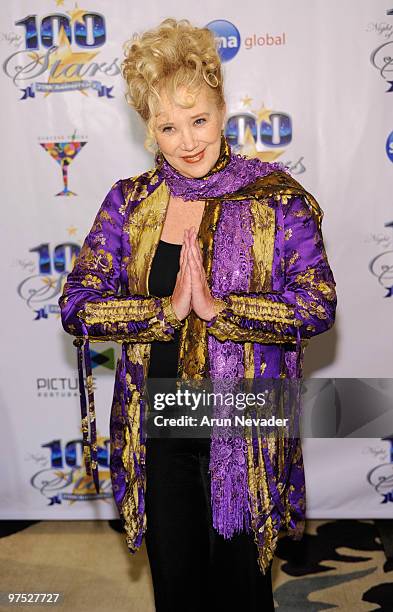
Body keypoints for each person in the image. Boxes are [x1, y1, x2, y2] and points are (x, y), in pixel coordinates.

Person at [58, 18, 337, 612]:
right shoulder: (129, 202)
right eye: (167, 127)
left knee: (242, 586)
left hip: (249, 412)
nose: (187, 141)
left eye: (199, 120)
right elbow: (78, 305)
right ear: (148, 130)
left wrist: (222, 310)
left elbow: (316, 304)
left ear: (221, 108)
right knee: (177, 581)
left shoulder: (276, 198)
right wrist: (165, 311)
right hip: (161, 412)